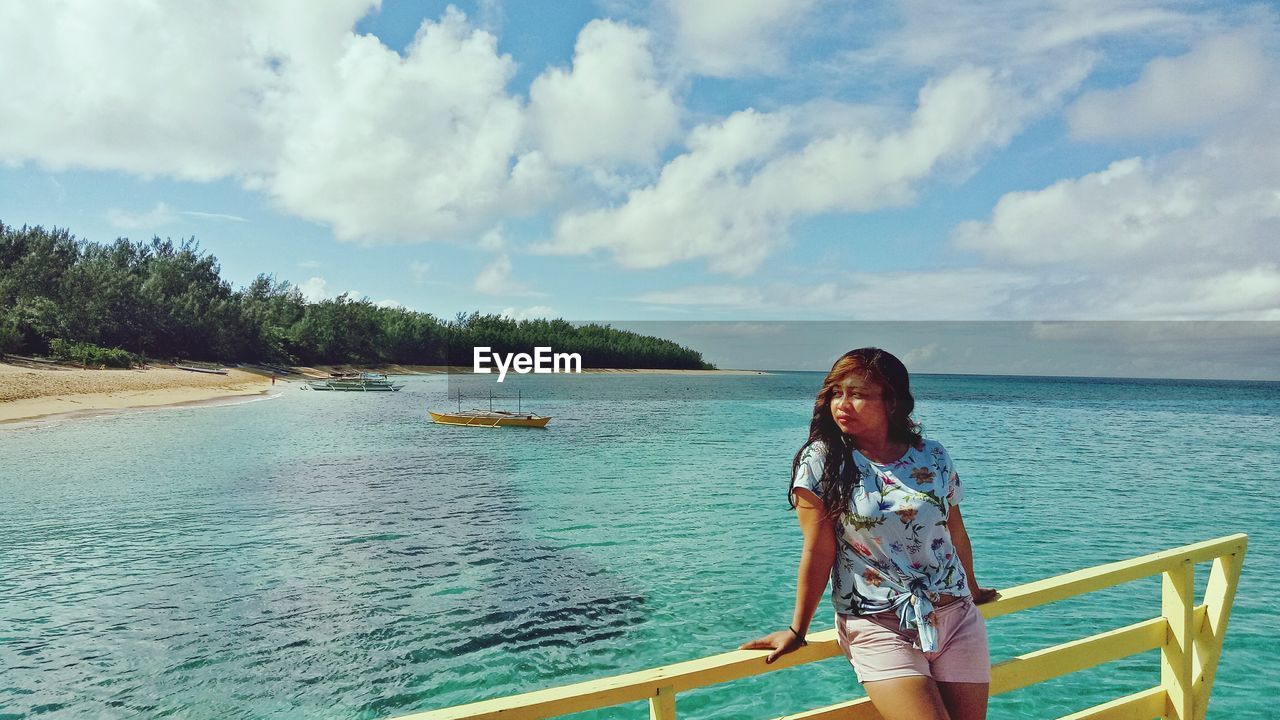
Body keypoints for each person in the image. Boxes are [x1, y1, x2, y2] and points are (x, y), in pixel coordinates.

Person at [741, 348, 999, 720]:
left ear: (893, 403)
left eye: (858, 394)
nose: (842, 404)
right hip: (877, 621)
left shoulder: (933, 456)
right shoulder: (823, 461)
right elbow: (818, 550)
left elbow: (954, 531)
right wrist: (797, 630)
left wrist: (971, 591)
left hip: (956, 615)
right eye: (836, 392)